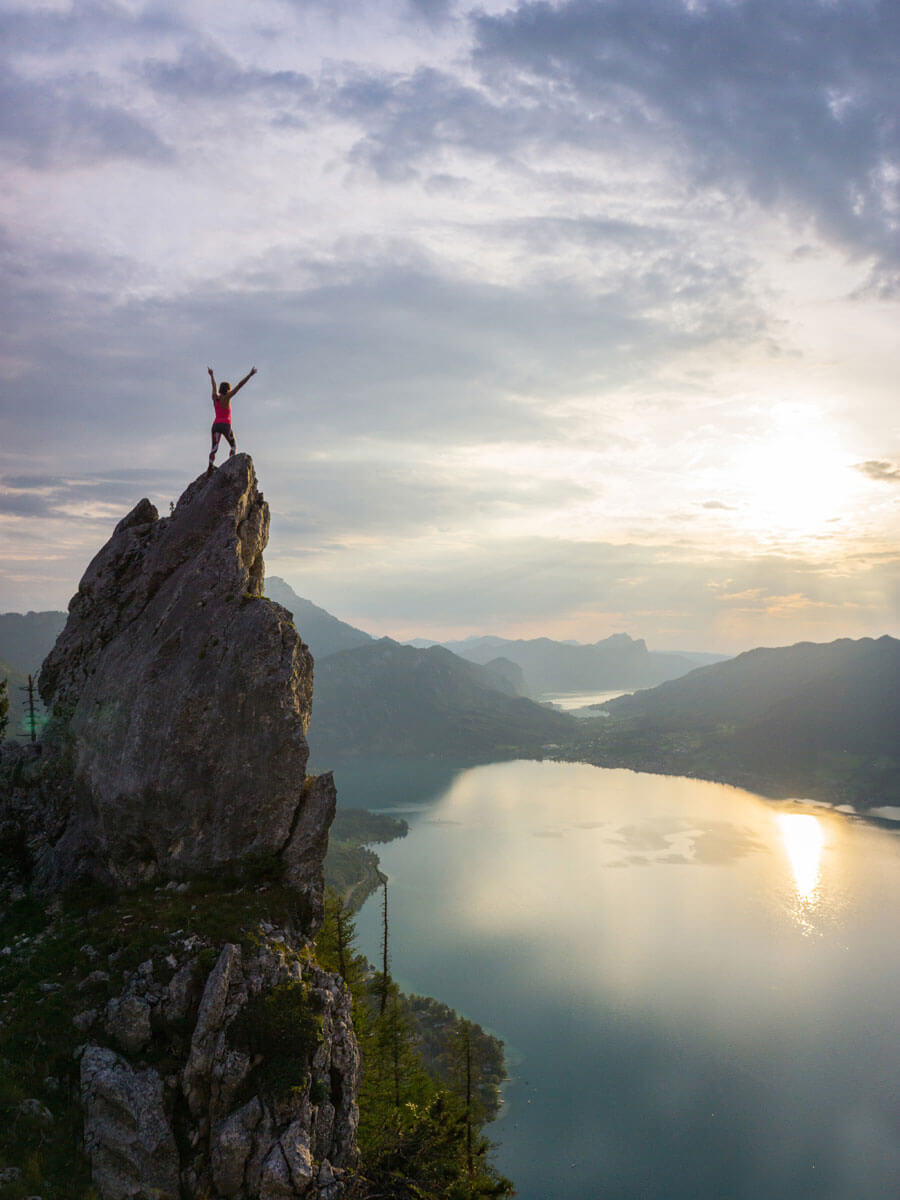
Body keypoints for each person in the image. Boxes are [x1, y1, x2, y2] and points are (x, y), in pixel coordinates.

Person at [207, 365, 257, 469]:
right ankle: (231, 463)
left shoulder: (215, 398)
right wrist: (250, 375)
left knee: (214, 447)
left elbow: (214, 386)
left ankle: (210, 465)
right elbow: (239, 385)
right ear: (227, 390)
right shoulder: (227, 397)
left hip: (215, 425)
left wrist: (211, 375)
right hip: (225, 425)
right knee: (233, 446)